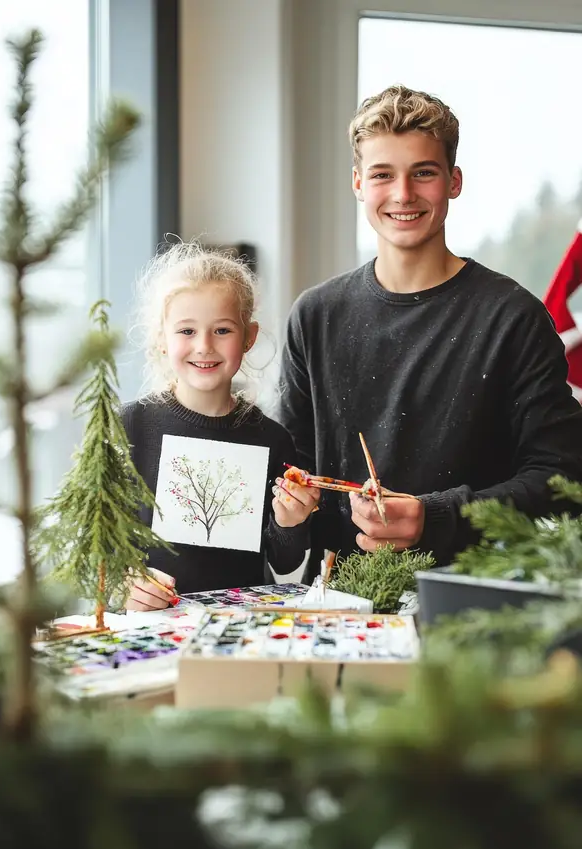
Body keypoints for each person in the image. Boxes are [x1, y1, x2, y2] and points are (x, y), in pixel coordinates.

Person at [278, 84, 582, 582]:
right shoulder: (315, 316)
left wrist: (434, 516)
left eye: (423, 172)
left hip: (477, 603)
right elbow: (293, 477)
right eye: (382, 175)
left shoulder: (514, 318)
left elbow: (562, 478)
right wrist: (289, 509)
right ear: (357, 183)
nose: (402, 194)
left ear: (454, 180)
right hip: (341, 608)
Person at [121, 242, 319, 611]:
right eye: (186, 331)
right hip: (150, 628)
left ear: (249, 338)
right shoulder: (130, 425)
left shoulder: (272, 439)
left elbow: (286, 563)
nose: (204, 346)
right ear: (162, 338)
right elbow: (94, 541)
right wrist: (124, 580)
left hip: (239, 632)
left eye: (222, 330)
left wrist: (290, 521)